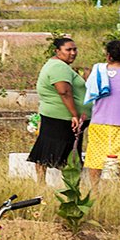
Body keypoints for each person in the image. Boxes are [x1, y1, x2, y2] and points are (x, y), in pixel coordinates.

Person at [29, 37, 90, 185]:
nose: (73, 53)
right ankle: (65, 184)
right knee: (61, 150)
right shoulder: (59, 67)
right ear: (57, 51)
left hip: (59, 116)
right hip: (62, 118)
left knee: (56, 149)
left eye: (75, 49)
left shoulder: (58, 65)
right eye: (68, 50)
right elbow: (64, 91)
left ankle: (61, 184)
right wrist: (74, 115)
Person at [83, 39, 120, 187]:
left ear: (108, 56)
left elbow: (90, 90)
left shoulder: (97, 71)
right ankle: (118, 187)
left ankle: (94, 189)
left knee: (96, 157)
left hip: (100, 122)